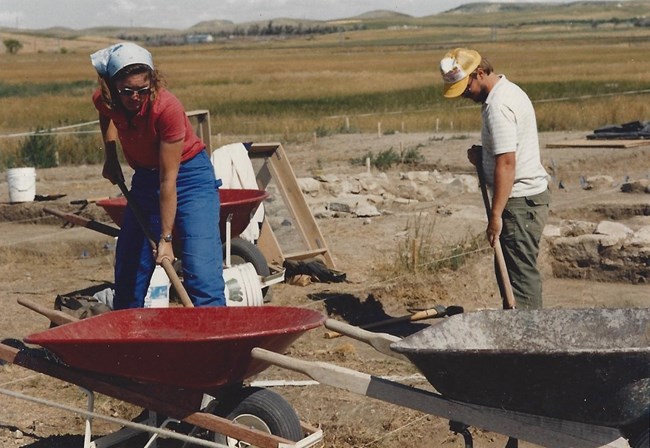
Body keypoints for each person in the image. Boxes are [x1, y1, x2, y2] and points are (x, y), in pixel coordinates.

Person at [90, 42, 226, 309]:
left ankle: (214, 341)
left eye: (142, 89)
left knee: (201, 270)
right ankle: (129, 342)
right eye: (127, 91)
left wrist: (165, 239)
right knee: (130, 269)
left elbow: (168, 180)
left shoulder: (167, 108)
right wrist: (111, 156)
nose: (135, 97)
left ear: (152, 82)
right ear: (113, 87)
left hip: (189, 179)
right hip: (145, 179)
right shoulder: (106, 99)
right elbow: (105, 114)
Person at [439, 48, 551, 310]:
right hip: (523, 201)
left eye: (465, 88)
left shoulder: (498, 106)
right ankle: (522, 337)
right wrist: (484, 156)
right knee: (513, 274)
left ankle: (527, 342)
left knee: (519, 282)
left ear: (479, 73)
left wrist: (496, 216)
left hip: (518, 203)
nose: (464, 96)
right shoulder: (506, 92)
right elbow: (505, 152)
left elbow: (507, 163)